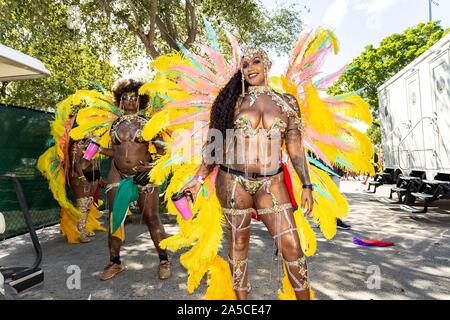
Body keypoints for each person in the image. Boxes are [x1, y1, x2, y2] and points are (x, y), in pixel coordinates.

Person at [179, 47, 314, 300]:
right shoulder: (233, 102)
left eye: (256, 62)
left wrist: (307, 185)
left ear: (268, 64)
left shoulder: (287, 103)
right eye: (244, 64)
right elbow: (215, 144)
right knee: (238, 246)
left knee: (292, 247)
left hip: (272, 183)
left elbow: (295, 145)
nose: (250, 67)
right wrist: (198, 180)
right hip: (233, 182)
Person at [97, 79, 171, 281]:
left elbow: (163, 150)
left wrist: (150, 168)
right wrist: (96, 148)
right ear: (120, 100)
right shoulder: (115, 125)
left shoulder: (149, 123)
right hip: (117, 174)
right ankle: (115, 263)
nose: (129, 100)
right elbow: (115, 151)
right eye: (125, 97)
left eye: (133, 97)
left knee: (151, 217)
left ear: (141, 100)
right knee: (115, 218)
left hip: (143, 175)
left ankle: (164, 260)